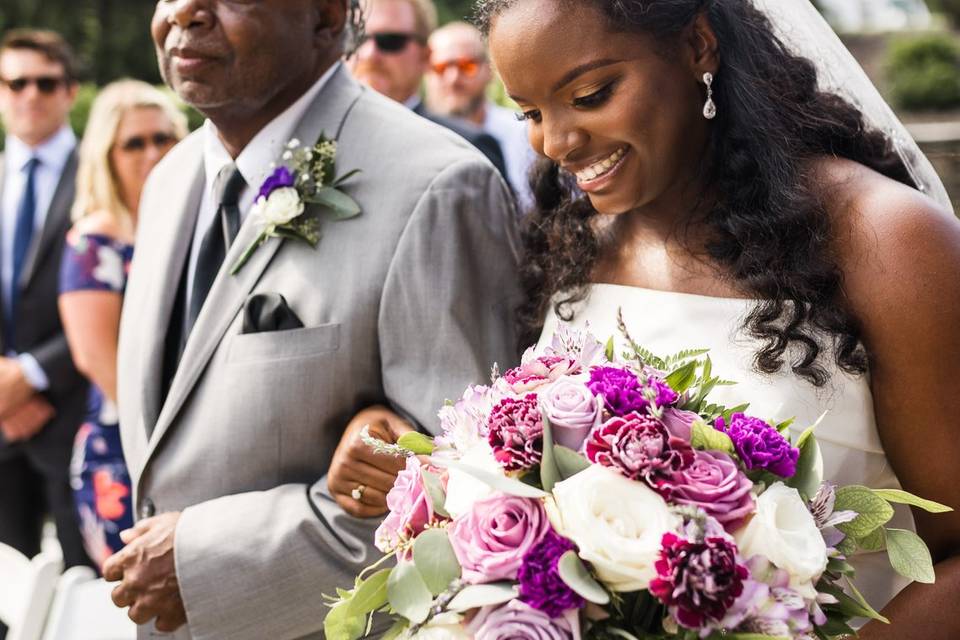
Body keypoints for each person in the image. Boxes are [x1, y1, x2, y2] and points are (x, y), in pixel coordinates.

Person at [476, 0, 960, 637]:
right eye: (531, 113)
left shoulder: (886, 240)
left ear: (699, 45)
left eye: (591, 94)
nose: (556, 142)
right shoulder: (575, 247)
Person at [103, 0, 520, 638]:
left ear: (326, 17)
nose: (184, 11)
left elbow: (463, 498)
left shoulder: (439, 185)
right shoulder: (168, 180)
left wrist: (204, 562)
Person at [59, 79, 187, 571]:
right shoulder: (94, 243)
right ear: (106, 155)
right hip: (125, 448)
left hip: (188, 440)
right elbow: (94, 358)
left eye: (163, 137)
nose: (152, 152)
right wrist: (164, 438)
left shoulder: (189, 225)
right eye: (134, 142)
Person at [0, 29, 89, 575]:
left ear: (70, 91)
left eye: (45, 82)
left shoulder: (101, 173)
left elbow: (124, 296)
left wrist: (31, 375)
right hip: (0, 418)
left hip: (73, 411)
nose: (30, 94)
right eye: (15, 82)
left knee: (89, 587)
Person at [346, 0, 510, 181]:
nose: (369, 54)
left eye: (390, 41)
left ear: (426, 57)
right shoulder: (318, 135)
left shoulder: (468, 147)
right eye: (357, 38)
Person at [426, 21, 536, 210]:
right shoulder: (418, 138)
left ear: (490, 70)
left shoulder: (526, 135)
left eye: (466, 66)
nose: (453, 79)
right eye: (440, 67)